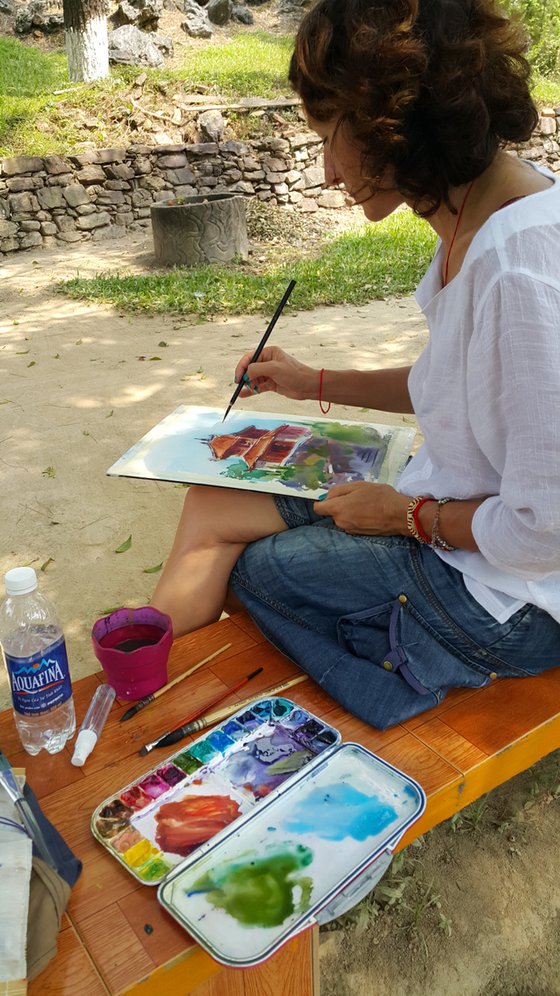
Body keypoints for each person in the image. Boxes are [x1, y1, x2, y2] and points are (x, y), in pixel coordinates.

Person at [151, 0, 560, 730]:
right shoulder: (478, 216)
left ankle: (400, 689)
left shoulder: (519, 268)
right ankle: (144, 686)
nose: (328, 171)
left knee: (263, 573)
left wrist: (407, 517)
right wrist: (313, 382)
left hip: (513, 599)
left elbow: (545, 530)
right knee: (213, 504)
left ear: (391, 122)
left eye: (328, 139)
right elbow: (460, 386)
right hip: (455, 520)